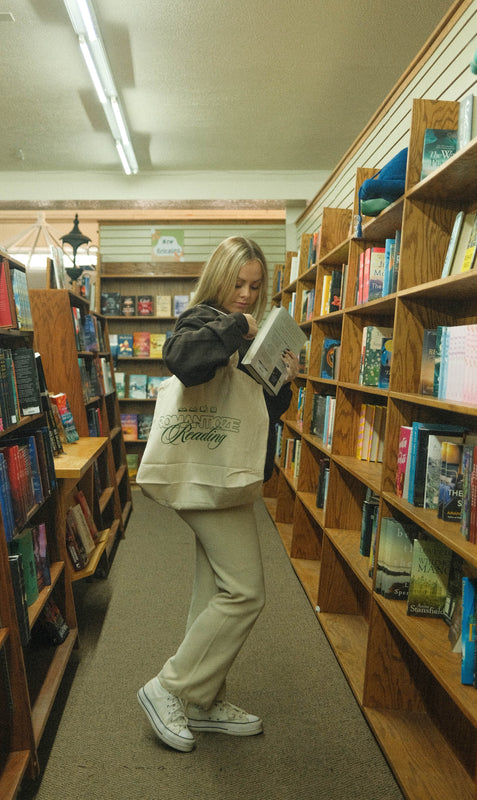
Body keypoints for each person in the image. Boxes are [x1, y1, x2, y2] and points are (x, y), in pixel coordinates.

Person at [137, 235, 300, 752]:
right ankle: (170, 687)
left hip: (230, 476)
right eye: (238, 282)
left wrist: (282, 380)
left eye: (255, 286)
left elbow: (259, 416)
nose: (247, 295)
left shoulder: (248, 330)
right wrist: (236, 328)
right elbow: (183, 360)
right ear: (219, 278)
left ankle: (203, 702)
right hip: (202, 474)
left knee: (213, 591)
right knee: (246, 591)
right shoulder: (201, 320)